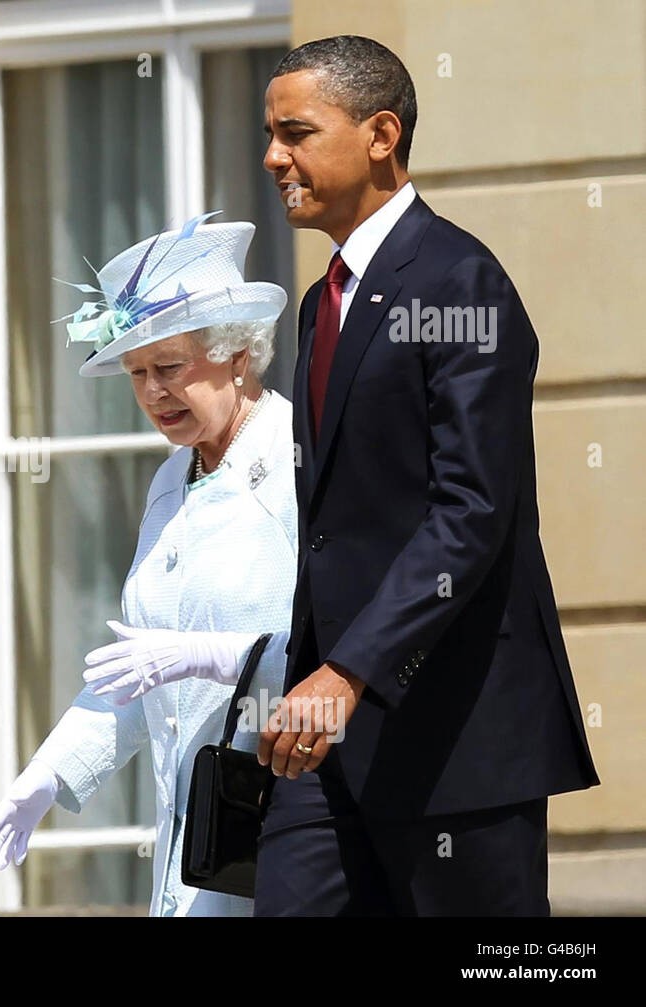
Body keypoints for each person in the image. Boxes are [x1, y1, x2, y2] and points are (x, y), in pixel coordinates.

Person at [256, 35, 599, 916]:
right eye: (271, 133)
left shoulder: (460, 280)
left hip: (458, 738)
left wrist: (350, 671)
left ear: (380, 134)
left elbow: (471, 509)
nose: (272, 157)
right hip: (325, 744)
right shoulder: (320, 299)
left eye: (296, 131)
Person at [0, 217, 297, 916]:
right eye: (136, 374)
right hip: (195, 851)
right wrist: (48, 772)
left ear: (238, 354)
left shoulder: (298, 462)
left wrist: (212, 655)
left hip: (287, 834)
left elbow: (344, 656)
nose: (153, 393)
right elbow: (139, 668)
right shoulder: (169, 482)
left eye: (169, 367)